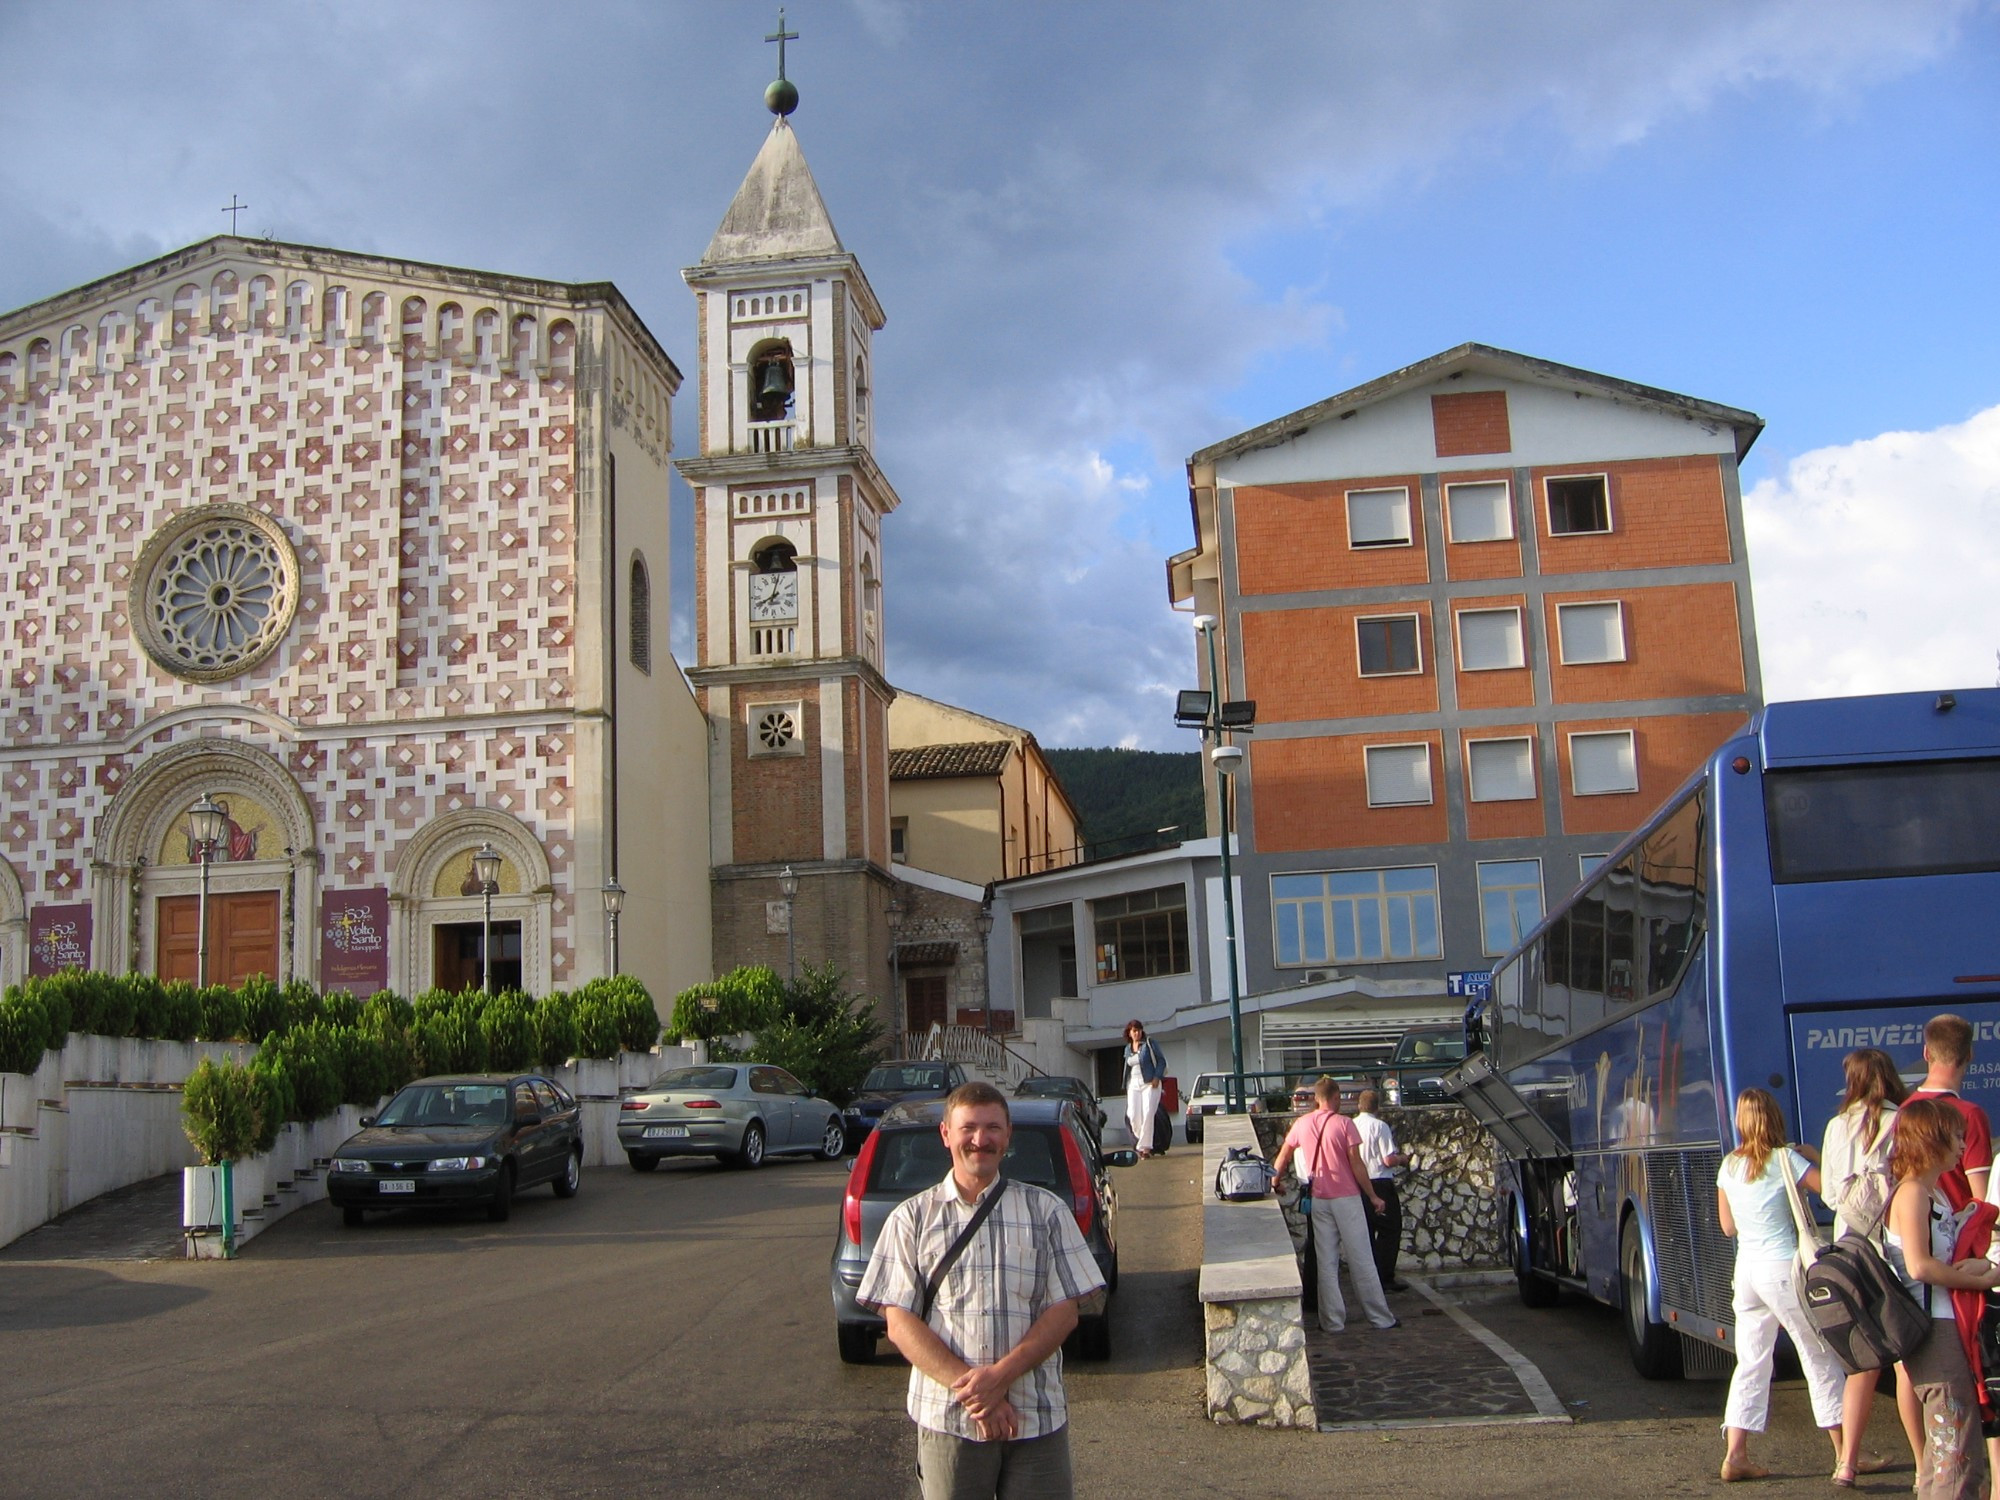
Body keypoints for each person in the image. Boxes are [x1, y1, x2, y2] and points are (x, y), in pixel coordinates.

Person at [858, 1082, 1106, 1500]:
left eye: (992, 1127)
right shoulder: (911, 1219)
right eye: (968, 1127)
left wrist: (1000, 1379)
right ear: (946, 1134)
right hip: (949, 1422)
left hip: (1036, 1419)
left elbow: (1065, 1311)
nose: (980, 1139)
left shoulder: (1046, 1211)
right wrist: (980, 1396)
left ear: (1008, 1135)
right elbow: (899, 1323)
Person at [1715, 1088, 1849, 1483]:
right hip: (1782, 1269)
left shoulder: (1729, 1165)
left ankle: (1736, 1454)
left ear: (1741, 1121)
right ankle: (1845, 1454)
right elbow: (1833, 1192)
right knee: (1817, 1353)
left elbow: (1728, 1227)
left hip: (1748, 1273)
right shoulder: (1786, 1159)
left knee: (1752, 1362)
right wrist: (1815, 1158)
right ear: (1773, 1118)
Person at [1886, 1096, 2000, 1500]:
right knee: (1956, 1452)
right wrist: (1978, 1283)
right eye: (1954, 1136)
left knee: (1948, 1453)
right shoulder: (1914, 1192)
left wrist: (1979, 1269)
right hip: (1934, 1330)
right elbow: (1919, 1266)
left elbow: (1942, 1261)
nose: (1961, 1145)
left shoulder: (1932, 1194)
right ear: (1931, 1139)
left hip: (1945, 1325)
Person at [1821, 1047, 1915, 1485]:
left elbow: (1829, 1195)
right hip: (1891, 1243)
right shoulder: (1903, 1119)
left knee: (1862, 1359)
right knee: (1905, 1357)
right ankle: (1923, 1464)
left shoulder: (1837, 1126)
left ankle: (1847, 1463)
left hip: (1849, 1248)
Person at [1273, 1077, 1396, 1333]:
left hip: (1319, 1198)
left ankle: (1332, 1321)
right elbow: (1356, 1163)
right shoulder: (1345, 1125)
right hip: (1346, 1198)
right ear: (1336, 1097)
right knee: (1361, 1258)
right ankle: (1380, 1317)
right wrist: (1373, 1196)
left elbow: (1284, 1153)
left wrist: (1276, 1180)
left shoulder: (1302, 1123)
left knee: (1326, 1263)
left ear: (1316, 1098)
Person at [1353, 1088, 1408, 1292]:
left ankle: (1366, 1278)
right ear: (1377, 1107)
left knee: (1365, 1232)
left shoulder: (1351, 1125)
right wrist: (1403, 1158)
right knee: (1390, 1230)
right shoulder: (1380, 1126)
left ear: (1359, 1105)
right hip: (1380, 1182)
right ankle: (1385, 1277)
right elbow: (1388, 1159)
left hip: (1358, 1183)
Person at [1121, 1020, 1166, 1158]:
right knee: (1133, 1115)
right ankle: (1142, 1140)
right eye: (1134, 1030)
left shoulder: (1149, 1043)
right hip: (1133, 1084)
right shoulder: (1128, 1049)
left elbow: (1161, 1061)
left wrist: (1157, 1077)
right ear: (1129, 1032)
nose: (1137, 1033)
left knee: (1148, 1113)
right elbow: (1127, 1067)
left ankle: (1145, 1149)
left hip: (1149, 1083)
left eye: (1139, 1030)